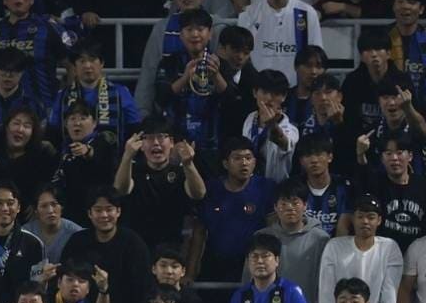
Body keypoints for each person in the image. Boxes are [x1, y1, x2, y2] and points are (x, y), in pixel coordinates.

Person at [60, 186, 151, 303]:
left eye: (109, 209)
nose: (104, 215)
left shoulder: (133, 244)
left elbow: (142, 289)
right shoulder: (78, 241)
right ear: (89, 213)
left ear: (118, 211)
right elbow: (65, 277)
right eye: (98, 210)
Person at [114, 118, 206, 251]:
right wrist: (127, 156)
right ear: (141, 145)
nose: (156, 143)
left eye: (161, 137)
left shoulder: (181, 171)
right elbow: (120, 190)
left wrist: (188, 164)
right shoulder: (132, 170)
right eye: (149, 138)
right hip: (136, 244)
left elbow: (199, 194)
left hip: (171, 245)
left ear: (171, 143)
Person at [192, 135, 275, 282]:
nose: (244, 163)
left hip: (253, 268)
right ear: (225, 163)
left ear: (255, 162)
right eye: (237, 158)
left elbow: (273, 231)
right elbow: (199, 232)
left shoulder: (266, 188)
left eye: (248, 158)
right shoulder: (211, 189)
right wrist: (190, 271)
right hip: (214, 266)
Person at [318, 194, 403, 303]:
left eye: (371, 217)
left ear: (379, 220)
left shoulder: (389, 248)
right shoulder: (334, 247)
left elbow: (389, 297)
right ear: (353, 219)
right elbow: (326, 294)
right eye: (360, 216)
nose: (365, 221)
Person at [254, 177, 329, 303]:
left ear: (305, 205)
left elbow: (325, 284)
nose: (290, 208)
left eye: (295, 203)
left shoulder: (320, 239)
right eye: (283, 203)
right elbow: (249, 280)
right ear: (275, 207)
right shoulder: (261, 237)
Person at [154, 8, 226, 153]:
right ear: (181, 35)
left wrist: (216, 76)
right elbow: (161, 98)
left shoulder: (220, 63)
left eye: (200, 29)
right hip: (177, 140)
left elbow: (231, 99)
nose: (195, 34)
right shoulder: (169, 63)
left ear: (210, 34)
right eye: (189, 29)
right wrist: (185, 77)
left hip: (213, 141)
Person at [49, 40, 141, 152]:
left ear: (101, 64)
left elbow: (134, 129)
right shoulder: (62, 96)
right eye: (82, 61)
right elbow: (54, 131)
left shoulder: (120, 92)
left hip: (112, 159)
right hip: (71, 157)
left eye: (92, 60)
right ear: (74, 67)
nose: (87, 66)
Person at [238, 0, 322, 87]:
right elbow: (241, 58)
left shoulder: (307, 13)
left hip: (296, 89)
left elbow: (316, 55)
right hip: (260, 89)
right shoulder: (248, 15)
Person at [355, 132, 426, 252]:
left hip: (418, 254)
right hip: (383, 254)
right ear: (382, 158)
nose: (394, 158)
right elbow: (363, 173)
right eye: (388, 153)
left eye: (399, 152)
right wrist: (360, 153)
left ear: (410, 156)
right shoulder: (376, 184)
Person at [0, 105, 58, 213]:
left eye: (27, 126)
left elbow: (50, 187)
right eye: (16, 123)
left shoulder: (44, 155)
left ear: (33, 132)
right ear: (6, 127)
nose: (20, 129)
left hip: (30, 216)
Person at [51, 99, 118, 226]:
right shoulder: (62, 150)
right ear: (66, 124)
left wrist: (88, 152)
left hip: (94, 217)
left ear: (94, 123)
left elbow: (101, 159)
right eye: (72, 119)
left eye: (83, 118)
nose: (77, 123)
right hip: (65, 217)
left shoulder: (103, 144)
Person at [0, 47, 43, 146]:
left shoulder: (34, 106)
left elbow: (40, 140)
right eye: (3, 70)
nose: (7, 76)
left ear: (22, 73)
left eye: (13, 71)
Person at [242, 69, 299, 184]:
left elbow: (283, 142)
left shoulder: (290, 129)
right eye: (264, 92)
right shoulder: (250, 119)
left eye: (275, 94)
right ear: (255, 92)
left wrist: (272, 124)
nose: (269, 98)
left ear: (284, 97)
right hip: (249, 184)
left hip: (277, 187)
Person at [297, 134, 353, 236]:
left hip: (335, 244)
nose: (314, 160)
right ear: (301, 161)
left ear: (330, 157)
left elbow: (343, 229)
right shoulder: (295, 187)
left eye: (319, 154)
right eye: (308, 155)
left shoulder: (344, 187)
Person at [22, 186, 82, 266]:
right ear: (36, 210)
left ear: (61, 207)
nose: (50, 210)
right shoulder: (25, 233)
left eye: (54, 204)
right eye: (44, 206)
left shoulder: (76, 233)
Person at [284, 45, 328, 132]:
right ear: (296, 67)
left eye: (318, 66)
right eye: (308, 65)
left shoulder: (327, 101)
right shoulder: (284, 98)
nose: (313, 71)